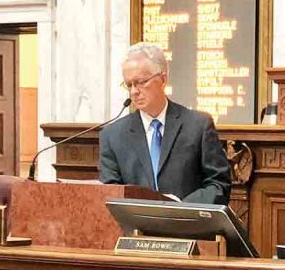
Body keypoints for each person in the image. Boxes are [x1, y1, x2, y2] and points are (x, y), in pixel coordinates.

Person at [99, 42, 232, 204]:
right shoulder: (112, 136)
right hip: (137, 220)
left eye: (141, 82)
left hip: (187, 219)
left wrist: (179, 209)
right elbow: (111, 195)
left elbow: (218, 185)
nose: (134, 91)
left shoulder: (198, 125)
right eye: (129, 85)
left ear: (162, 79)